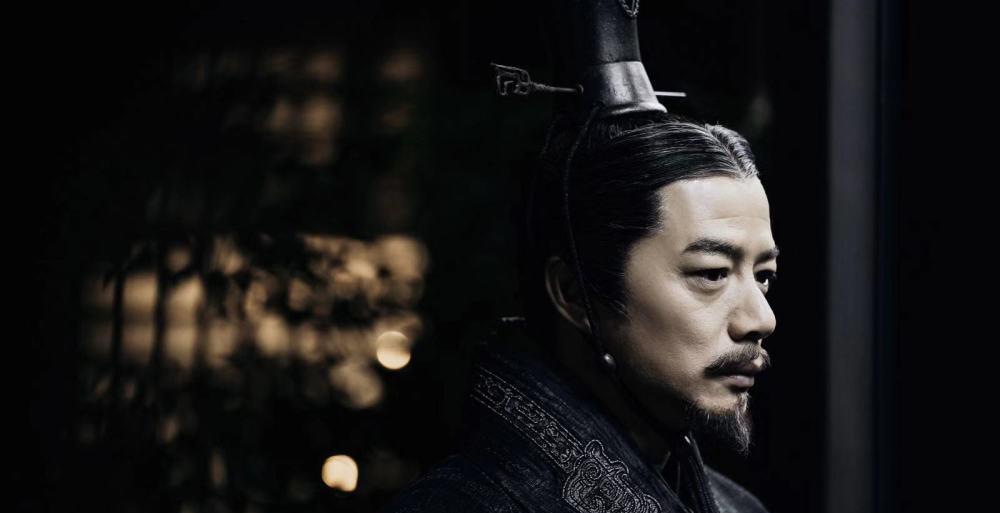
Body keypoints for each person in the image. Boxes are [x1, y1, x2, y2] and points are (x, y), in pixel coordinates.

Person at [383, 2, 778, 512]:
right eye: (712, 274)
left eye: (763, 276)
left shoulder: (737, 507)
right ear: (574, 292)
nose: (760, 318)